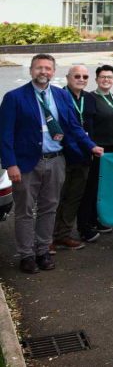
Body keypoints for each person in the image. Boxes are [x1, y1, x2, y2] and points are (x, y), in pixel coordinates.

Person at [0, 54, 103, 273]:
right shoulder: (14, 97)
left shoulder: (60, 96)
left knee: (49, 209)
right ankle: (26, 255)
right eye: (39, 68)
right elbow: (5, 134)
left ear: (53, 72)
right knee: (25, 211)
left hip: (56, 161)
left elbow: (73, 126)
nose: (43, 72)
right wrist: (10, 164)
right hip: (26, 164)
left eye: (47, 68)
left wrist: (90, 146)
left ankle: (42, 251)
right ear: (31, 70)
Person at [52, 64, 96, 249]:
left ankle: (64, 234)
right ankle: (47, 238)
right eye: (77, 76)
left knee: (74, 198)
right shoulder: (58, 97)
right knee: (56, 198)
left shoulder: (90, 98)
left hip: (84, 156)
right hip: (63, 154)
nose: (81, 79)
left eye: (85, 77)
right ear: (67, 77)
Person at [79, 64, 113, 239]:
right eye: (103, 77)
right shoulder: (90, 98)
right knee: (91, 188)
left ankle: (96, 219)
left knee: (103, 188)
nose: (106, 80)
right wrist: (91, 147)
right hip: (98, 149)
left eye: (110, 77)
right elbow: (88, 125)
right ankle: (85, 225)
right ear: (96, 79)